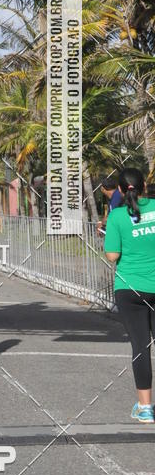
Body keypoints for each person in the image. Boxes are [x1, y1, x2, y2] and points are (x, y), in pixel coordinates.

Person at [104, 168, 155, 423]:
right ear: (144, 186)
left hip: (130, 288)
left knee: (140, 346)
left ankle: (145, 407)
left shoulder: (117, 217)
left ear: (121, 190)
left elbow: (112, 255)